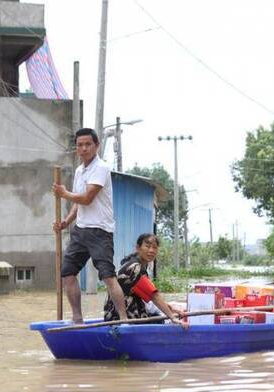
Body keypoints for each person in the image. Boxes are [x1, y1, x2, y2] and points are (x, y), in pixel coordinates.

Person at [52, 128, 128, 324]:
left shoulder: (101, 168)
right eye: (80, 145)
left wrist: (63, 193)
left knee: (108, 276)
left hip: (100, 230)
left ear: (97, 146)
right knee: (68, 272)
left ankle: (124, 319)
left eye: (88, 144)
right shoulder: (79, 171)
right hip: (81, 230)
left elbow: (87, 198)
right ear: (76, 148)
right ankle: (77, 318)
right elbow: (77, 203)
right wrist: (66, 222)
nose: (83, 148)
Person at [104, 233, 187, 328]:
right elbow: (154, 296)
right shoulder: (136, 268)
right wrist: (172, 317)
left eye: (155, 247)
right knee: (159, 319)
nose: (151, 250)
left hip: (113, 315)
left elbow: (147, 295)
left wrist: (170, 308)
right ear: (138, 248)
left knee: (157, 315)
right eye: (147, 246)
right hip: (122, 317)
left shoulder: (136, 264)